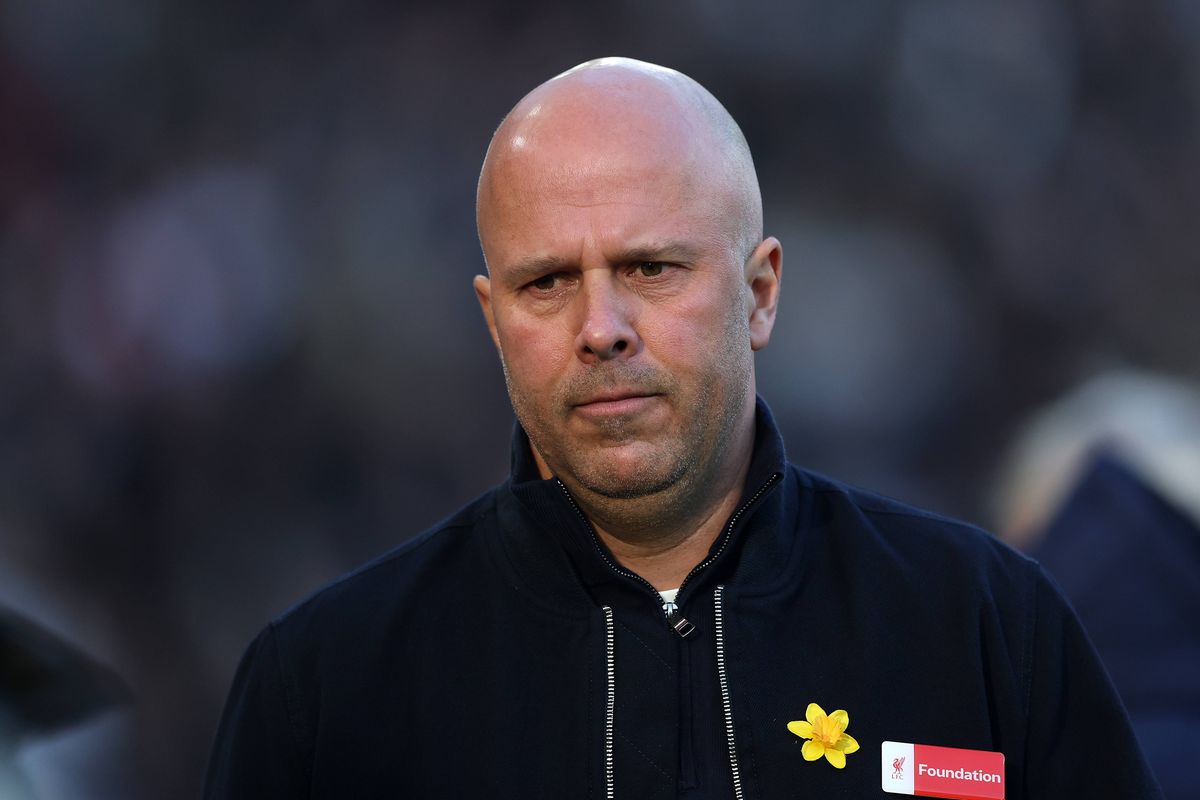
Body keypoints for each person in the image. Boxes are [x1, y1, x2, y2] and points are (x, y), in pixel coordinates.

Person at [204, 58, 1162, 798]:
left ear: (760, 293)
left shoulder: (988, 629)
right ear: (494, 322)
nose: (600, 328)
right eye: (547, 283)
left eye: (652, 268)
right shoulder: (326, 691)